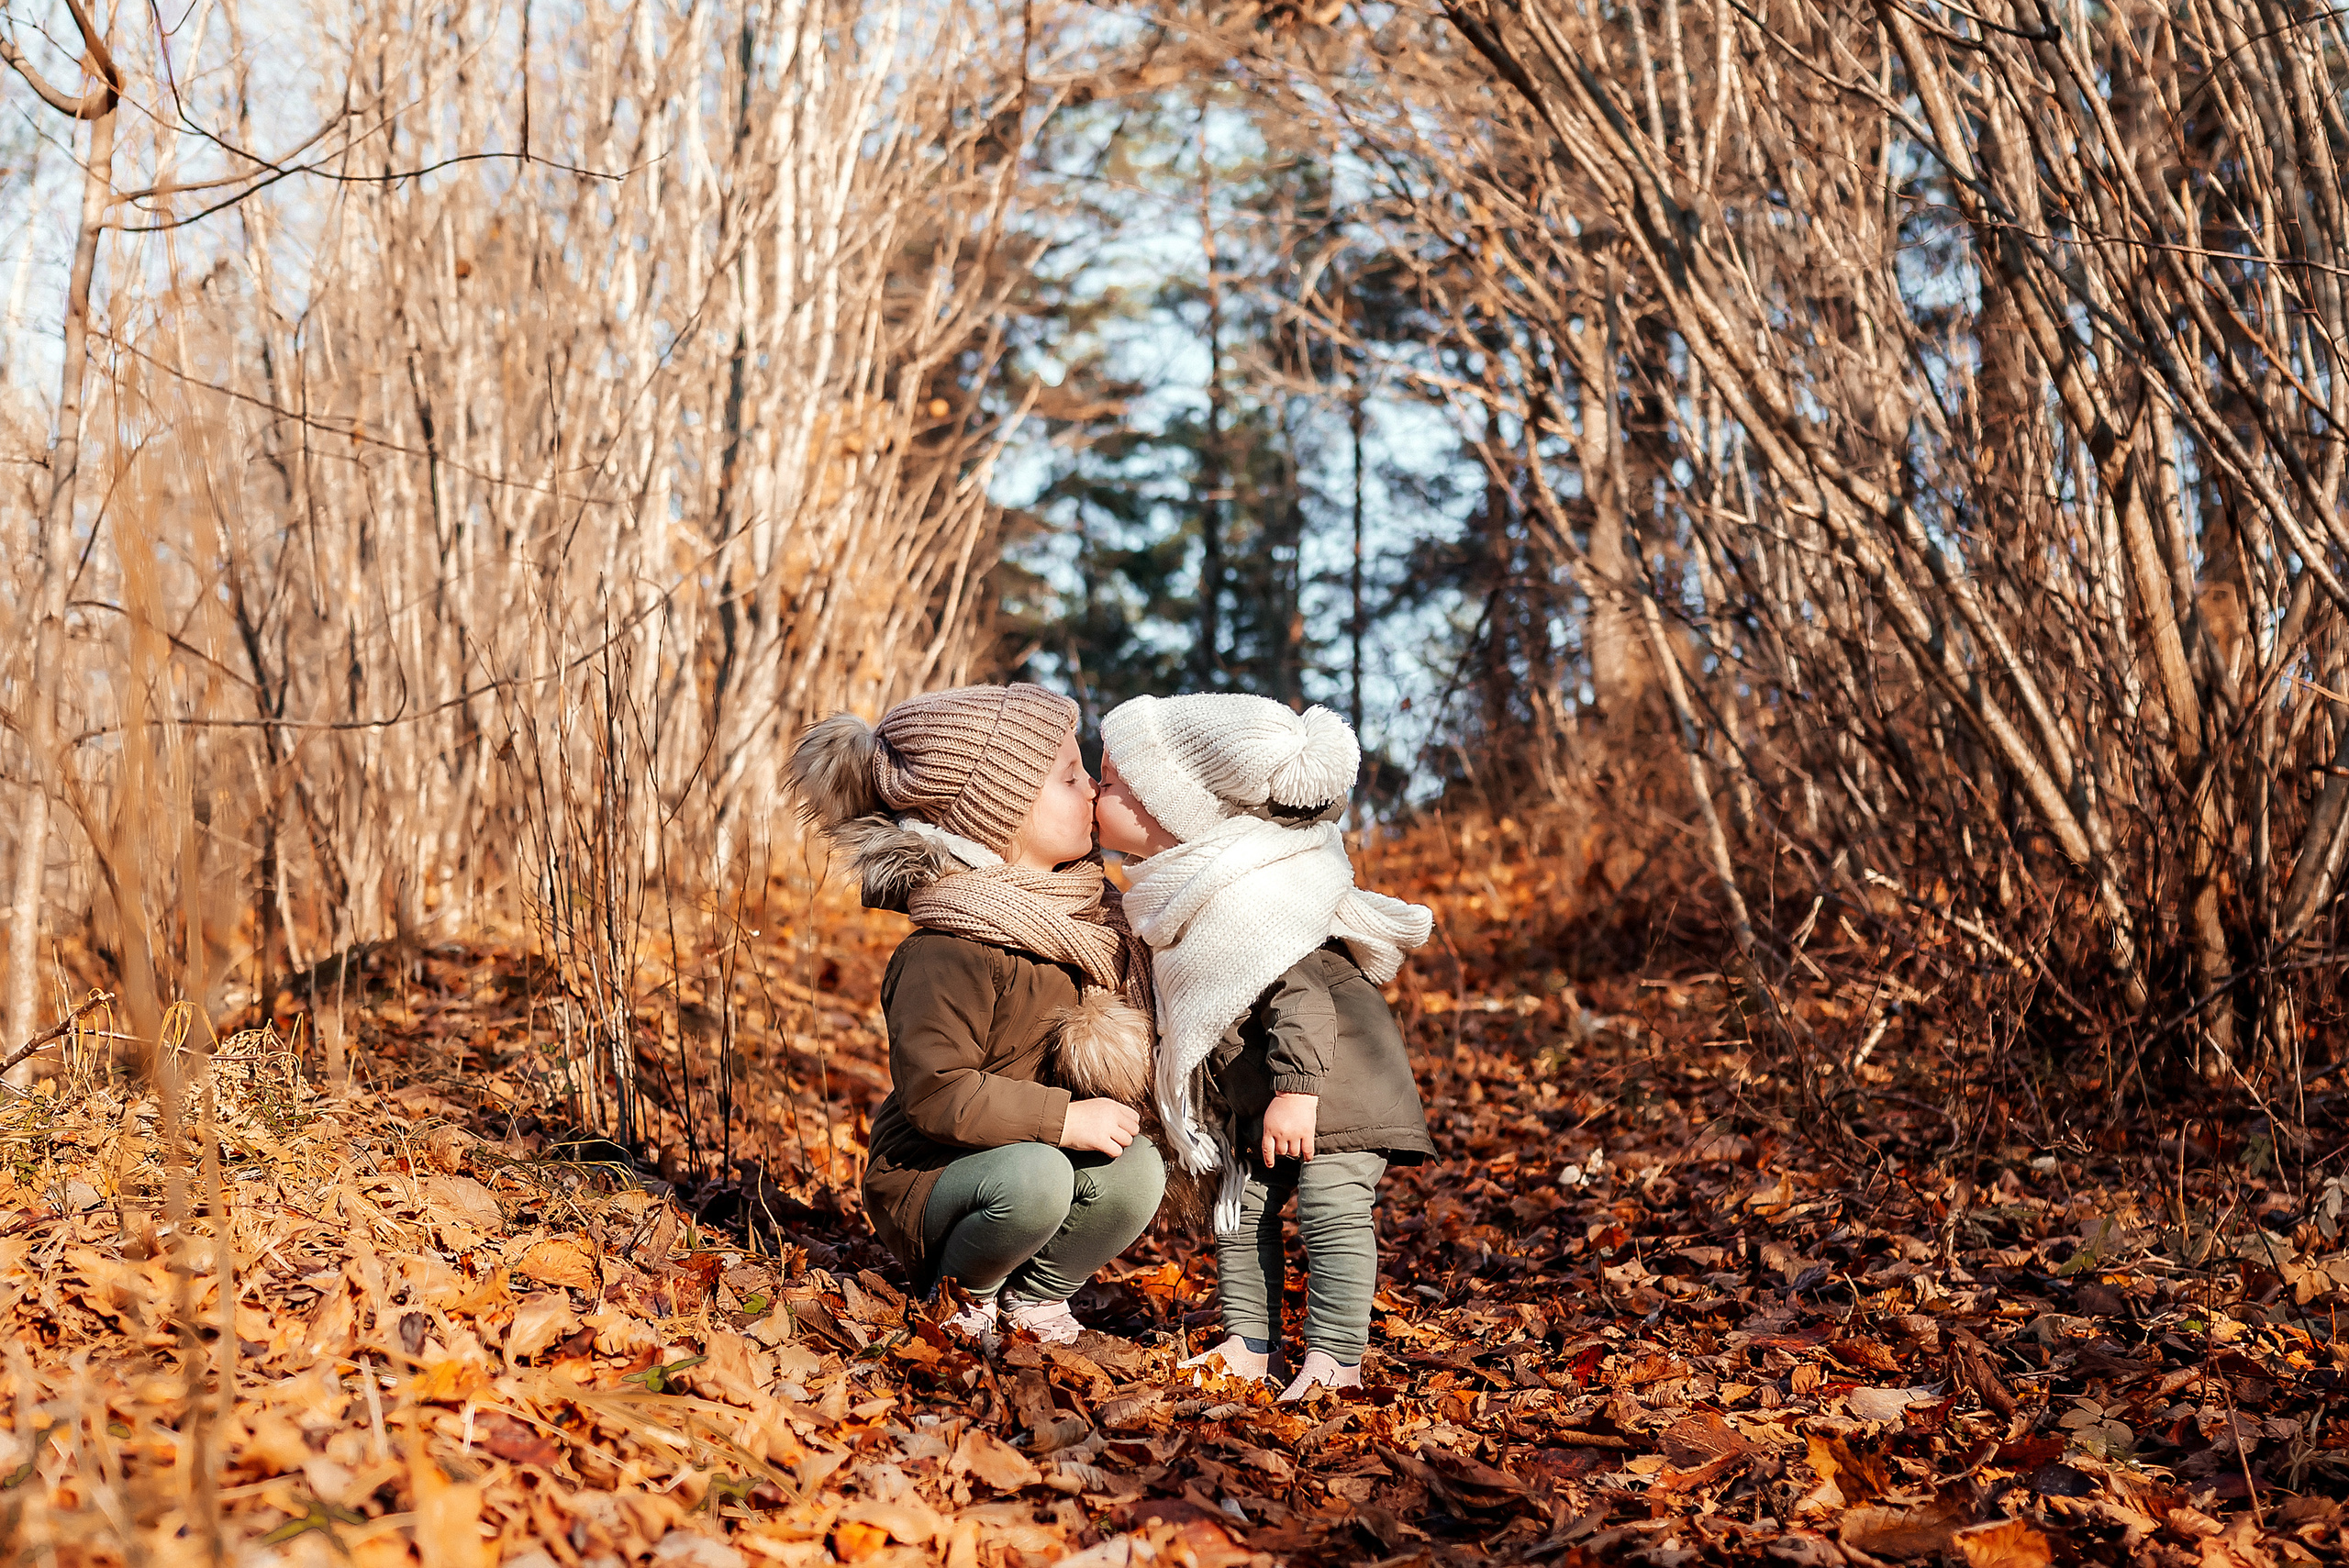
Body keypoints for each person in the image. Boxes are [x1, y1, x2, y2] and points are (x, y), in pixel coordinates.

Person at [785, 684, 1163, 1346]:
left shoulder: (1079, 925)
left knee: (1138, 1172)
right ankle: (964, 1293)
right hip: (935, 1174)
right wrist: (1065, 1118)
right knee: (1037, 1178)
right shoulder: (946, 951)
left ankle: (1036, 1297)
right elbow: (938, 1093)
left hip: (1030, 1154)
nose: (1091, 790)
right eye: (1068, 777)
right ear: (999, 816)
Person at [1094, 694, 1434, 1399]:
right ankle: (1252, 1345)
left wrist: (1297, 1091)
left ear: (1165, 804)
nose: (1098, 793)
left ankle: (1336, 1359)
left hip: (1333, 1085)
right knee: (1240, 1209)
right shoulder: (1184, 889)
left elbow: (1301, 996)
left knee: (1330, 1207)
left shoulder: (1256, 894)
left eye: (1111, 781)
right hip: (1269, 1097)